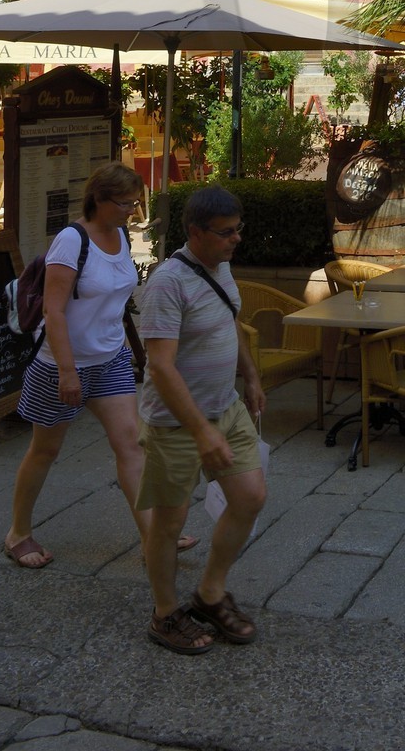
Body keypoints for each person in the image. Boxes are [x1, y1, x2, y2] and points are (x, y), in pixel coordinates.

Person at [3, 163, 197, 569]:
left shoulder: (121, 235)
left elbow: (116, 300)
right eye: (124, 203)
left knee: (131, 444)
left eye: (134, 202)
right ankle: (18, 532)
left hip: (110, 360)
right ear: (98, 199)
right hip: (61, 364)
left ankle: (153, 538)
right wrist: (67, 371)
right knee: (45, 450)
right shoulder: (71, 241)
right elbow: (54, 312)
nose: (131, 210)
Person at [137, 185, 266, 654]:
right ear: (195, 232)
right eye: (226, 232)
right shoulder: (167, 284)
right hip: (177, 423)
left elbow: (230, 320)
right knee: (168, 524)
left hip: (225, 407)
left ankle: (210, 593)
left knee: (250, 497)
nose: (236, 239)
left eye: (238, 229)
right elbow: (160, 366)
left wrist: (250, 376)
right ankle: (165, 614)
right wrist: (201, 431)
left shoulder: (220, 265)